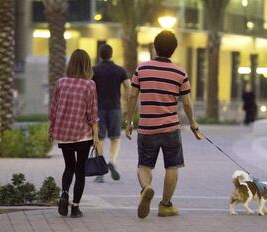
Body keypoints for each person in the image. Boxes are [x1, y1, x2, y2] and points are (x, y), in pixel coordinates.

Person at [125, 30, 201, 219]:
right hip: (170, 128)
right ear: (173, 50)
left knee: (144, 166)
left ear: (154, 47)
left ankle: (146, 188)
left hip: (147, 127)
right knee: (172, 166)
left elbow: (133, 95)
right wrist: (193, 123)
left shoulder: (141, 69)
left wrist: (128, 121)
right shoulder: (180, 72)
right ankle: (166, 205)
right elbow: (186, 102)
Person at [48, 49, 101, 218]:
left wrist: (51, 129)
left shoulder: (61, 82)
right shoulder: (89, 85)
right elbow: (93, 114)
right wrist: (97, 138)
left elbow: (53, 109)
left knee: (68, 167)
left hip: (64, 133)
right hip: (82, 134)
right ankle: (75, 208)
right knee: (80, 170)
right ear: (87, 65)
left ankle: (64, 194)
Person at [92, 44, 130, 183]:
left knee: (99, 138)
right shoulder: (120, 70)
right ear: (111, 54)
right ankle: (112, 162)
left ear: (100, 55)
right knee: (115, 137)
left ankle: (101, 170)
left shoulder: (94, 70)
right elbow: (129, 88)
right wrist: (128, 107)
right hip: (115, 108)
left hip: (98, 109)